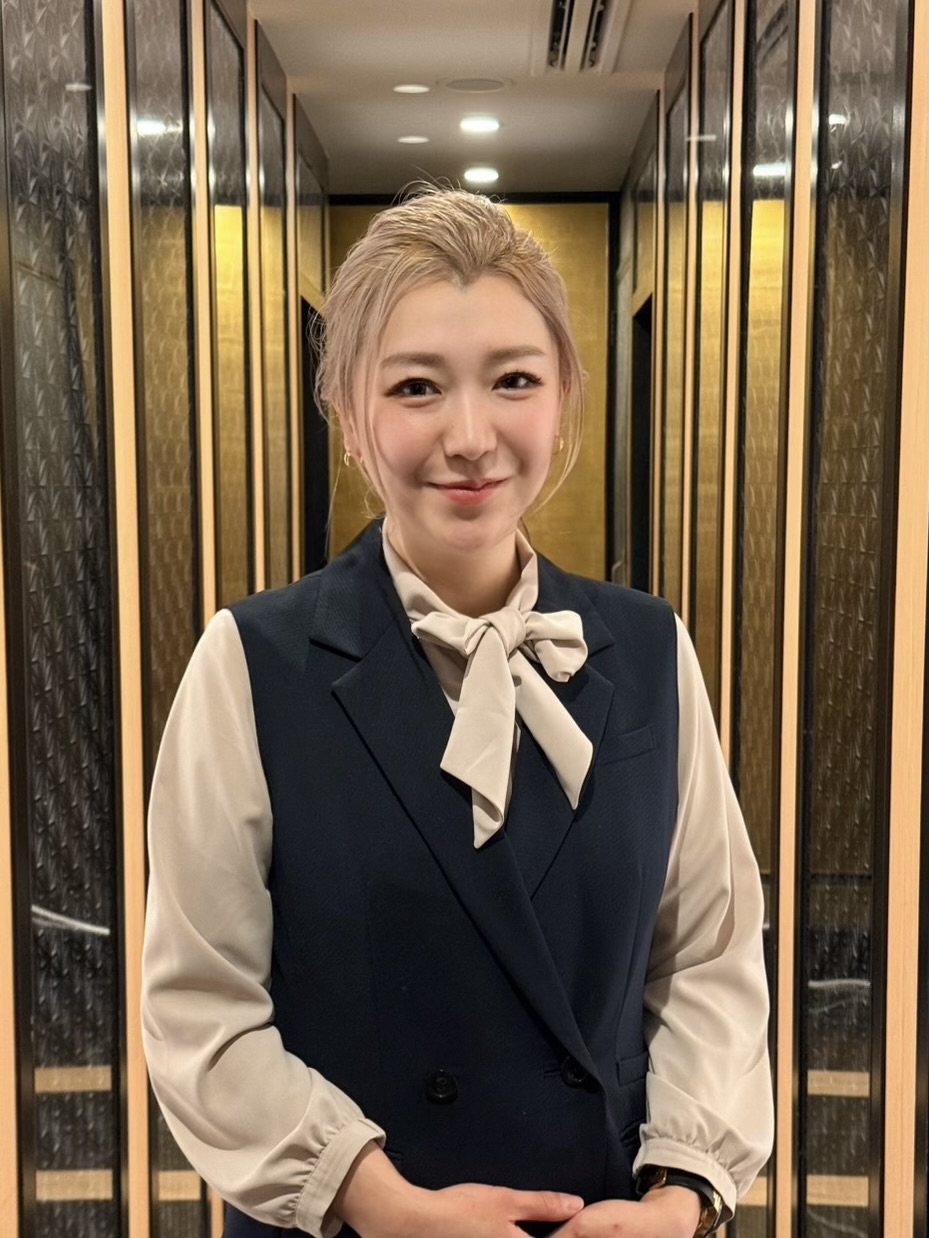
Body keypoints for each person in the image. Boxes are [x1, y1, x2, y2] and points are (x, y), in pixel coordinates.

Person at [141, 187, 773, 1238]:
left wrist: (681, 1195)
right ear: (350, 416)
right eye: (416, 387)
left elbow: (707, 950)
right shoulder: (249, 661)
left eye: (513, 380)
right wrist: (378, 1199)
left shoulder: (650, 648)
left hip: (602, 1212)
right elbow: (200, 1004)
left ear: (562, 396)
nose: (470, 436)